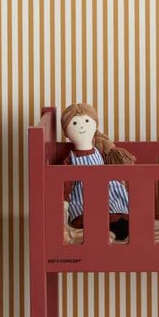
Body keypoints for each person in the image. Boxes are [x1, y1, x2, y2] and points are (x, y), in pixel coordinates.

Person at [59, 103, 134, 242]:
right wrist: (64, 205)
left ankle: (115, 229)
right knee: (88, 218)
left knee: (120, 217)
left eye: (87, 121)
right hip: (84, 200)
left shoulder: (99, 150)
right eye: (75, 123)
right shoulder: (71, 159)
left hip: (108, 195)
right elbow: (65, 184)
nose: (81, 127)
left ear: (95, 125)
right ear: (66, 133)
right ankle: (102, 233)